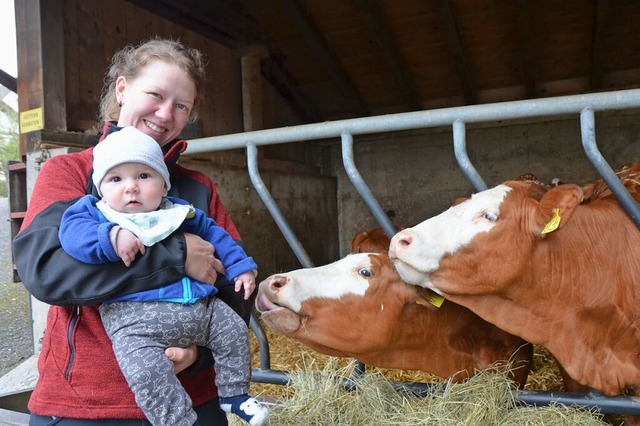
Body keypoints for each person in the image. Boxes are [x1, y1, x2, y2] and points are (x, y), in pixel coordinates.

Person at [13, 37, 255, 425]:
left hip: (193, 398)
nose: (165, 113)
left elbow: (235, 292)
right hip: (86, 404)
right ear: (122, 90)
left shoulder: (196, 188)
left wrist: (197, 355)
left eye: (181, 106)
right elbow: (46, 271)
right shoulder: (72, 174)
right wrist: (178, 257)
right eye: (155, 94)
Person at [58, 126, 269, 426]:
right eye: (116, 179)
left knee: (234, 330)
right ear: (101, 188)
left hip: (201, 310)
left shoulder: (180, 212)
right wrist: (110, 237)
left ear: (164, 185)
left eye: (144, 176)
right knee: (145, 373)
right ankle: (177, 420)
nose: (131, 187)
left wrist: (240, 266)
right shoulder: (96, 214)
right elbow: (71, 236)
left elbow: (217, 237)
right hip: (136, 324)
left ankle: (235, 395)